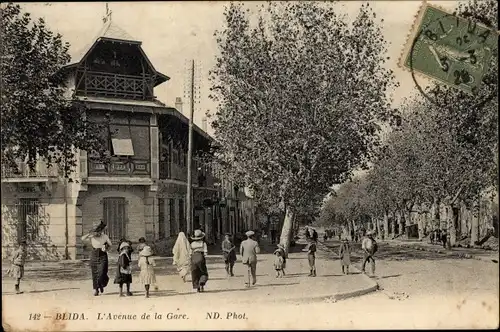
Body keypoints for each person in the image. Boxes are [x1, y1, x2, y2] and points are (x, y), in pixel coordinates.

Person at [81, 221, 112, 296]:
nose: (97, 233)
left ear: (101, 231)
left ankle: (101, 284)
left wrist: (106, 248)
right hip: (94, 254)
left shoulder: (105, 236)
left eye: (99, 231)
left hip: (102, 255)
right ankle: (96, 289)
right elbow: (82, 238)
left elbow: (110, 245)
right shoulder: (92, 237)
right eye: (96, 231)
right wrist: (89, 234)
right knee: (94, 273)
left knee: (102, 272)